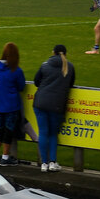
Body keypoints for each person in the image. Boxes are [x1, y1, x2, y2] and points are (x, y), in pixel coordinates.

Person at [33, 44, 75, 172]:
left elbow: (36, 81)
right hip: (57, 104)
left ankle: (44, 163)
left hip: (41, 102)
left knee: (43, 132)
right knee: (52, 133)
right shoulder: (70, 67)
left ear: (53, 52)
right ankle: (52, 161)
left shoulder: (45, 65)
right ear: (65, 54)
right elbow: (71, 84)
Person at [0, 42, 26, 166]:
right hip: (11, 104)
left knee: (1, 127)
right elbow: (21, 86)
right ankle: (5, 157)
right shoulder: (16, 70)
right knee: (8, 129)